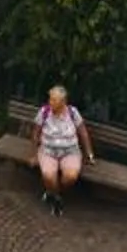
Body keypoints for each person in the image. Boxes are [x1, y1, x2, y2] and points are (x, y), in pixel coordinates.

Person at [35, 82, 94, 214]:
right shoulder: (44, 112)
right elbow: (35, 133)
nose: (50, 102)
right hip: (48, 151)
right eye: (50, 99)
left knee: (71, 177)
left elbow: (83, 133)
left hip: (70, 151)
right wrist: (33, 154)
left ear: (63, 102)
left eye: (54, 100)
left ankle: (53, 193)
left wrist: (89, 154)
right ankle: (57, 200)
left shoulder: (73, 113)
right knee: (48, 175)